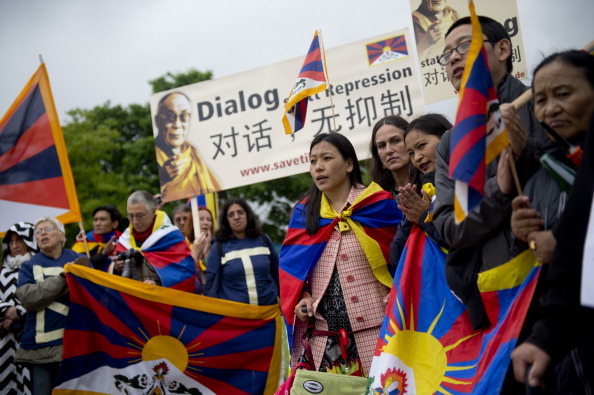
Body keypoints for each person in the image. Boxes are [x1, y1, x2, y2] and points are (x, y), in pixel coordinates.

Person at [432, 15, 546, 330]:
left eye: (465, 45)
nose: (453, 56)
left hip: (551, 277)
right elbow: (450, 227)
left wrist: (529, 155)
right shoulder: (451, 143)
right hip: (490, 297)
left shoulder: (542, 103)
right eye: (447, 54)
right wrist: (500, 187)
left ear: (503, 49)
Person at [280, 132, 400, 376]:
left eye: (326, 158)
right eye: (313, 161)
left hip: (380, 330)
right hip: (326, 340)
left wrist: (396, 289)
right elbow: (293, 271)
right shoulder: (304, 214)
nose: (318, 167)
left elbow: (407, 259)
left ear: (348, 164)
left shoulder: (378, 204)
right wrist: (304, 295)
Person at [510, 50, 594, 392]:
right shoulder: (543, 171)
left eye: (564, 93)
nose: (550, 108)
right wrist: (525, 236)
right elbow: (540, 249)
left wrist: (559, 243)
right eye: (541, 99)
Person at [15, 217, 85, 394]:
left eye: (47, 229)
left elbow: (95, 298)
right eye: (38, 232)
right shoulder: (27, 266)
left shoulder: (81, 260)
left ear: (62, 236)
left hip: (76, 345)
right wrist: (64, 279)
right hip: (41, 351)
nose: (42, 233)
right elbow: (28, 298)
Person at [390, 114, 451, 266]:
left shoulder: (468, 179)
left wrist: (425, 216)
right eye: (411, 153)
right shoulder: (421, 194)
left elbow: (464, 239)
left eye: (421, 146)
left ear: (446, 137)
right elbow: (397, 259)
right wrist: (410, 220)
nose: (417, 157)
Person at [113, 190, 199, 293]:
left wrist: (159, 284)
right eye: (130, 216)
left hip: (162, 301)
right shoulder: (124, 240)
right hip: (132, 300)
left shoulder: (171, 236)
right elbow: (114, 278)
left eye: (140, 215)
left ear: (153, 211)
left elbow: (186, 273)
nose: (135, 221)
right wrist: (116, 268)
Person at [204, 198, 279, 306]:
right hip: (236, 318)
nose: (236, 217)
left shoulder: (264, 240)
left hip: (268, 316)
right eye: (231, 215)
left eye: (240, 212)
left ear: (247, 215)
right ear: (226, 220)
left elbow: (278, 275)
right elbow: (211, 286)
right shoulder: (218, 247)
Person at [154, 91, 221, 202]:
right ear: (157, 121)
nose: (177, 125)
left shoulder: (193, 154)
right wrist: (163, 177)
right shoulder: (153, 162)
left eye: (184, 117)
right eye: (170, 117)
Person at [1, 222, 36, 394]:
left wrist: (17, 312)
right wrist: (5, 311)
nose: (14, 246)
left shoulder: (39, 268)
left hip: (31, 338)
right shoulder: (1, 272)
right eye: (11, 241)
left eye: (19, 241)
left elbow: (44, 297)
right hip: (4, 340)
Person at [369, 115, 417, 198]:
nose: (388, 150)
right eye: (382, 145)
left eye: (395, 141)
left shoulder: (432, 183)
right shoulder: (375, 198)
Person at [72, 204, 122, 271]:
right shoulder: (83, 241)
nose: (97, 223)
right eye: (95, 220)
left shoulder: (123, 241)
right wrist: (104, 253)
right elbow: (80, 267)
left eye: (103, 219)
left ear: (114, 224)